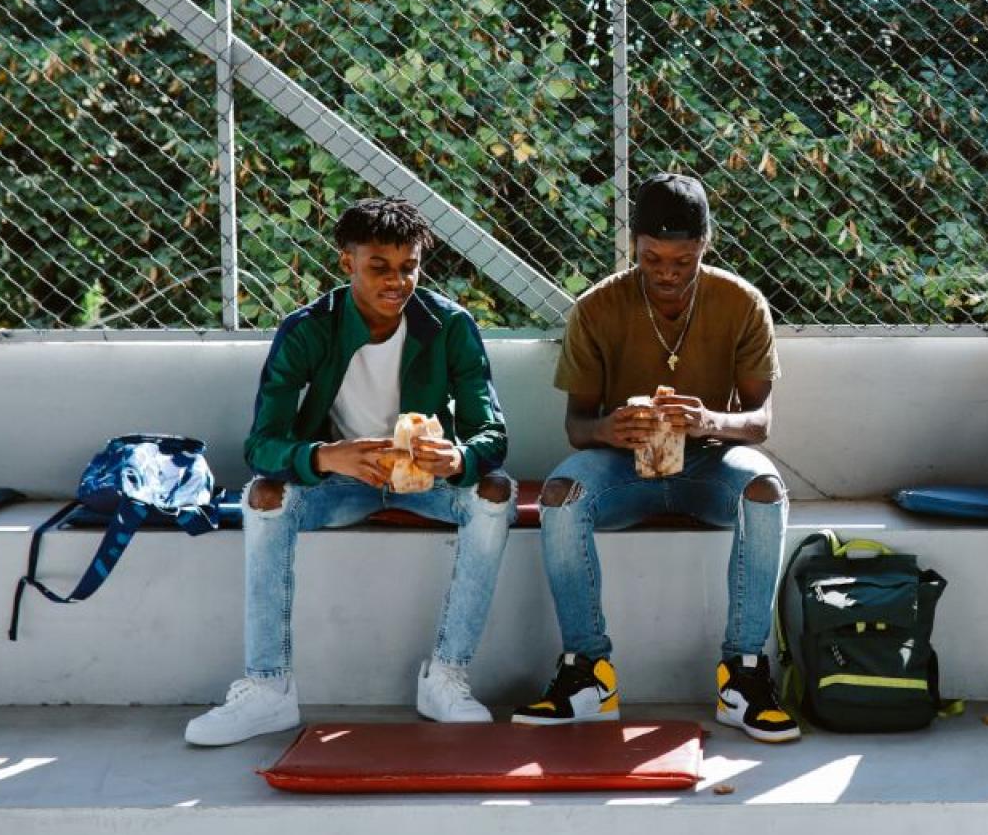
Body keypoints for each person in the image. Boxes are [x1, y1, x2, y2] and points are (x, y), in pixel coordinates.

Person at [185, 197, 515, 746]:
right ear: (347, 264)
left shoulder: (450, 325)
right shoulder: (308, 330)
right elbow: (261, 444)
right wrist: (324, 456)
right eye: (378, 267)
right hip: (341, 484)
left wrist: (458, 457)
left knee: (494, 492)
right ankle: (268, 689)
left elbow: (493, 435)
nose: (397, 281)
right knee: (264, 497)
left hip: (426, 484)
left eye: (408, 267)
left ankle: (446, 675)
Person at [514, 173, 797, 744]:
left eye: (683, 261)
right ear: (634, 247)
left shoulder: (740, 302)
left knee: (763, 490)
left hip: (710, 464)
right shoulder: (597, 307)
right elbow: (577, 427)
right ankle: (587, 673)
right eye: (652, 259)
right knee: (560, 496)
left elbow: (760, 422)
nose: (667, 273)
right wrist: (612, 428)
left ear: (706, 247)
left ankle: (744, 671)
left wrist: (709, 420)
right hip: (623, 469)